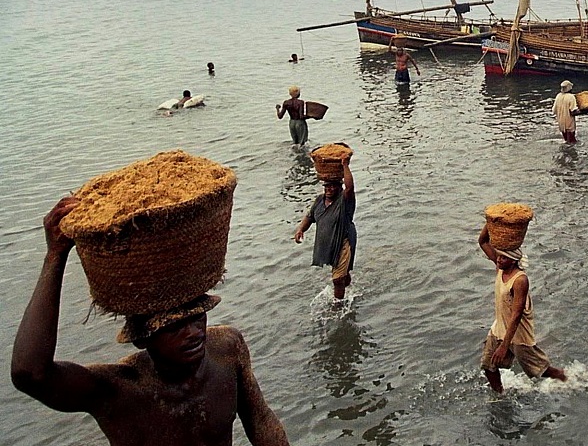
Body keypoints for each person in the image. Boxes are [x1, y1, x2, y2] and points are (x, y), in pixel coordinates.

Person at [10, 196, 290, 445]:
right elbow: (31, 374)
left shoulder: (227, 348)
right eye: (173, 327)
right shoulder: (118, 390)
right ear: (142, 337)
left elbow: (261, 422)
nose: (193, 333)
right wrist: (55, 256)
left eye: (197, 318)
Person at [477, 226, 567, 394]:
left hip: (519, 335)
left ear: (513, 260)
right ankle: (500, 395)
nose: (499, 260)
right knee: (488, 365)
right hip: (499, 328)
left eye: (504, 258)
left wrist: (504, 346)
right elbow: (483, 241)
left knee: (540, 371)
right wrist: (490, 222)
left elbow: (517, 315)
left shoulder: (520, 280)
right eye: (499, 257)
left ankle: (565, 378)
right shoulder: (500, 268)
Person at [293, 155, 356, 301]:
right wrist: (300, 229)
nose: (330, 189)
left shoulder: (344, 200)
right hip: (328, 245)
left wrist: (345, 165)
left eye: (334, 186)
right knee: (342, 276)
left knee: (337, 280)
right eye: (327, 186)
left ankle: (338, 306)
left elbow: (350, 188)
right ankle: (346, 280)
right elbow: (310, 217)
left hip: (343, 242)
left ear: (339, 187)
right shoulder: (320, 200)